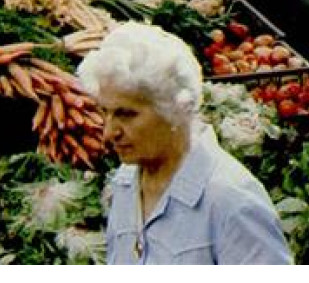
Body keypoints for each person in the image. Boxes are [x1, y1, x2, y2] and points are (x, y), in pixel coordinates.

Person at [78, 23, 292, 265]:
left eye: (126, 114)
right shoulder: (126, 182)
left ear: (173, 108)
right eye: (105, 112)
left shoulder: (231, 200)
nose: (109, 133)